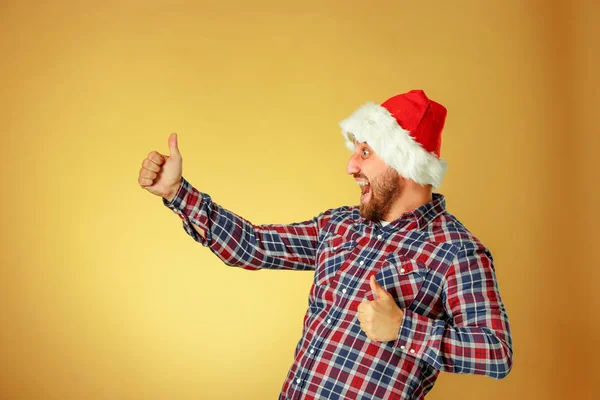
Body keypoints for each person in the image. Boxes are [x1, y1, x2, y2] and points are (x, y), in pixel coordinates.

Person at [137, 90, 513, 400]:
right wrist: (177, 193)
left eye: (365, 152)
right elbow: (253, 245)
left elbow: (496, 351)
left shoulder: (456, 251)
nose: (351, 166)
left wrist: (403, 328)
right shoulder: (340, 226)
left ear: (404, 162)